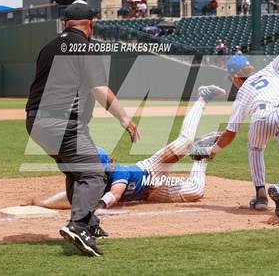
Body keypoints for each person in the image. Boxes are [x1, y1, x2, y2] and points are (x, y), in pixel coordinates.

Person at [25, 0, 140, 257]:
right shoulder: (84, 47)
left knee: (75, 172)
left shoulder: (48, 47)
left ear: (64, 23)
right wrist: (123, 118)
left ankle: (88, 223)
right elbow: (98, 89)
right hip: (62, 123)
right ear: (91, 24)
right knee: (93, 175)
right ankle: (78, 225)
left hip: (35, 122)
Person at [33, 86, 227, 230]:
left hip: (151, 169)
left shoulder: (118, 172)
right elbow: (71, 198)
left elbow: (116, 195)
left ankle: (203, 98)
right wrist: (44, 203)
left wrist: (98, 206)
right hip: (152, 193)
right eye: (104, 163)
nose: (109, 163)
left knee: (184, 142)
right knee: (196, 191)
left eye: (105, 163)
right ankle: (200, 156)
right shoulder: (92, 181)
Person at [202, 53, 279, 223]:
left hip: (261, 116)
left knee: (255, 148)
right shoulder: (272, 68)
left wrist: (212, 151)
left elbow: (230, 133)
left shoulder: (242, 93)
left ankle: (260, 196)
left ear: (236, 78)